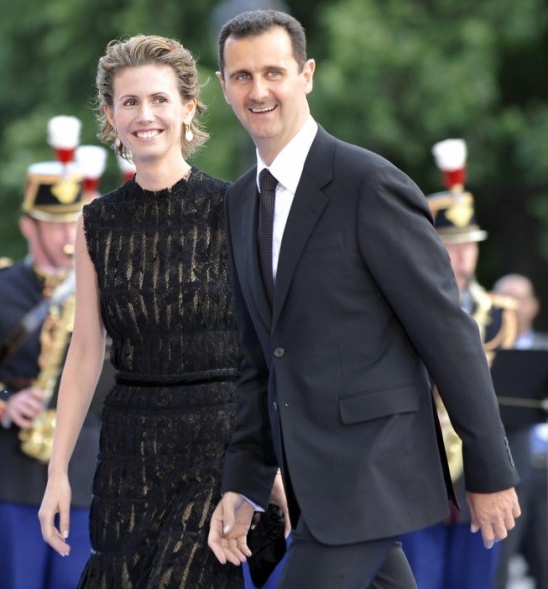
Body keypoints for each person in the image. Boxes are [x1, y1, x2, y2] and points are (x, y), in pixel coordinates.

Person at [208, 10, 520, 588]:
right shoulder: (239, 202)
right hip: (313, 484)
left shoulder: (368, 184)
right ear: (224, 87)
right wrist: (244, 482)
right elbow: (258, 362)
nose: (259, 90)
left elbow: (447, 332)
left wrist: (490, 468)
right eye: (242, 76)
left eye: (273, 72)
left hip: (372, 471)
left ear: (307, 75)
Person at [37, 34, 260, 588]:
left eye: (159, 100)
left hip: (217, 442)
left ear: (188, 109)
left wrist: (266, 466)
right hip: (129, 446)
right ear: (110, 117)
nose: (145, 115)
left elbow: (268, 343)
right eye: (129, 102)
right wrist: (58, 470)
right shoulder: (96, 221)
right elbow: (86, 351)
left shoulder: (236, 207)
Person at [0, 157, 97, 589]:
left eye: (74, 222)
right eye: (54, 224)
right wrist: (6, 404)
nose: (69, 235)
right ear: (29, 226)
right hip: (11, 474)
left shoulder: (99, 288)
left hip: (84, 472)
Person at [398, 139, 519, 589]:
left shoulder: (500, 315)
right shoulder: (405, 310)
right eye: (452, 246)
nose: (462, 256)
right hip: (420, 470)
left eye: (470, 246)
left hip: (481, 469)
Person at [492, 273, 548, 589]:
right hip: (510, 474)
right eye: (504, 298)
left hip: (546, 470)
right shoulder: (483, 353)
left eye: (520, 299)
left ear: (534, 305)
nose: (512, 306)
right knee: (497, 568)